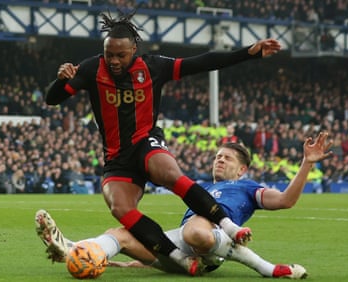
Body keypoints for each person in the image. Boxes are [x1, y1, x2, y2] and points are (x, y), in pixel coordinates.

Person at [44, 9, 281, 275]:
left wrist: (248, 52)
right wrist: (60, 79)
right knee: (120, 208)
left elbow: (202, 62)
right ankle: (178, 258)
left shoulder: (153, 67)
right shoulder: (91, 69)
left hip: (146, 141)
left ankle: (228, 226)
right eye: (109, 54)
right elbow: (52, 99)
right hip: (117, 157)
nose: (114, 60)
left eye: (120, 55)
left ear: (134, 49)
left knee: (168, 173)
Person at [36, 132, 332, 278]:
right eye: (217, 156)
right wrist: (124, 261)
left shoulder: (247, 187)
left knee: (197, 227)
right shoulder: (200, 188)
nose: (219, 159)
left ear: (242, 169)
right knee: (122, 232)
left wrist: (306, 163)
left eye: (226, 158)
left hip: (208, 239)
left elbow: (286, 200)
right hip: (180, 246)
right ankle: (73, 248)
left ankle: (263, 266)